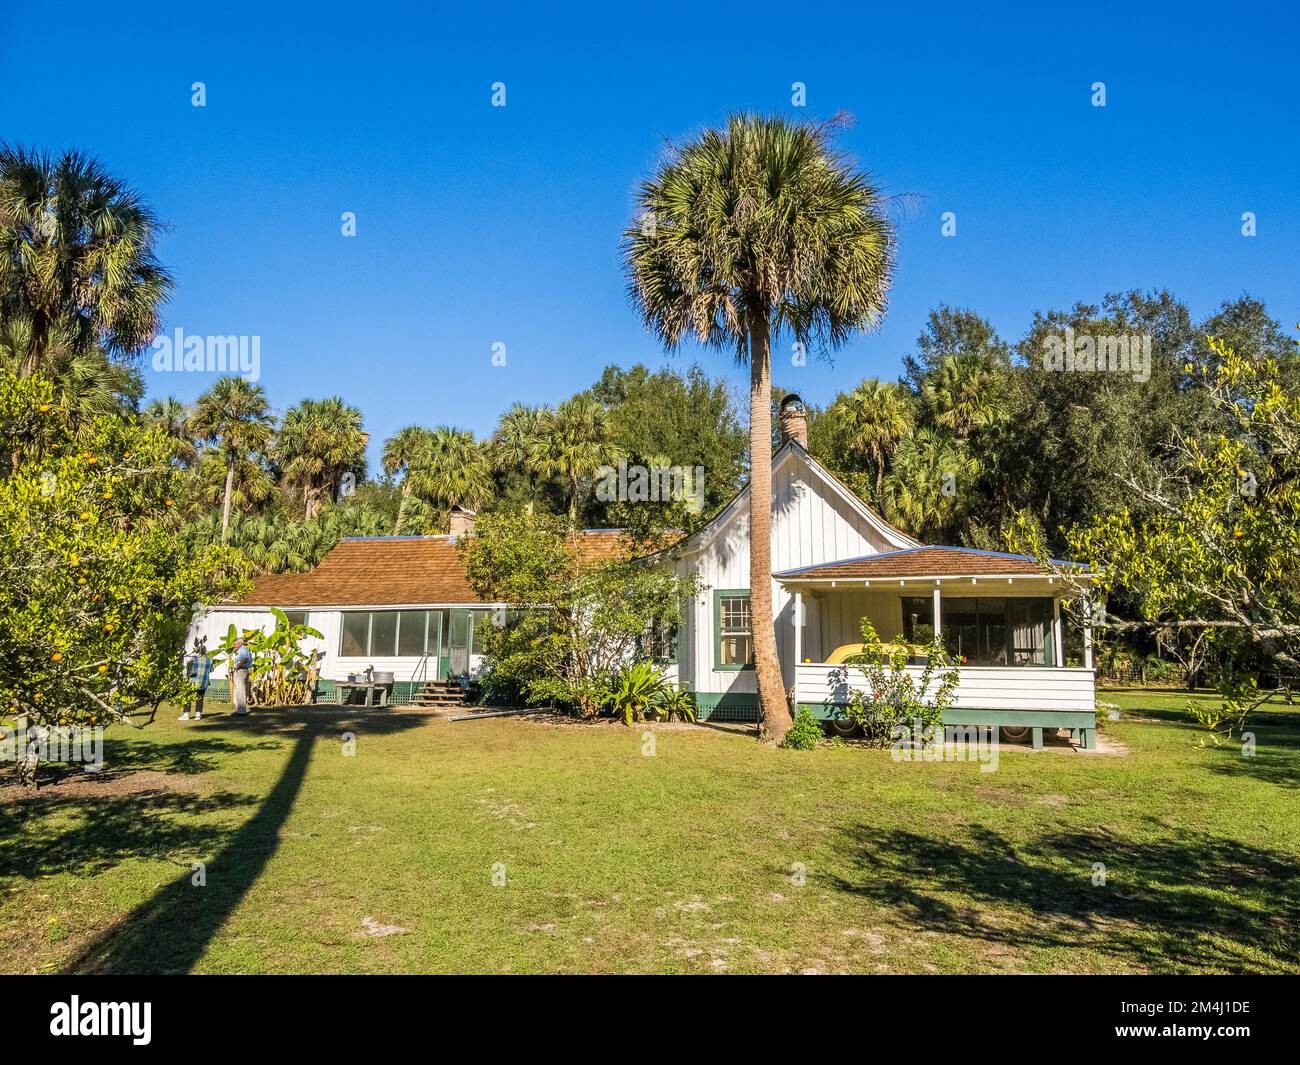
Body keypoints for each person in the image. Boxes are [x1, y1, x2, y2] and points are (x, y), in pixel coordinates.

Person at [179, 637, 212, 721]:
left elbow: (190, 669)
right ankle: (198, 714)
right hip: (204, 682)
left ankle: (186, 714)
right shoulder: (209, 660)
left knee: (187, 696)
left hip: (194, 681)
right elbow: (211, 670)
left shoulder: (195, 658)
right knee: (200, 697)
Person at [231, 636, 254, 715]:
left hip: (241, 670)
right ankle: (239, 709)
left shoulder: (243, 649)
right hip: (240, 670)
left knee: (240, 690)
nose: (234, 646)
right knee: (237, 689)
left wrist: (238, 666)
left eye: (235, 644)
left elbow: (245, 659)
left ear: (240, 643)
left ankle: (241, 711)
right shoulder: (241, 650)